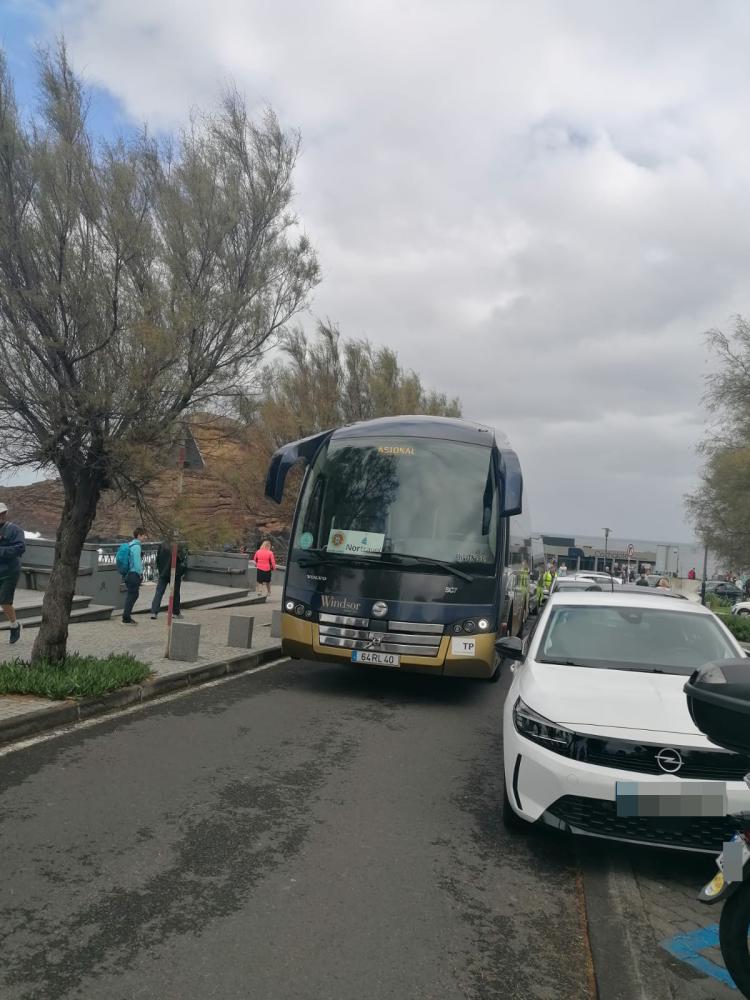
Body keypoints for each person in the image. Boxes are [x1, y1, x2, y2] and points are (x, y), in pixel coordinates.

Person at [0, 503, 25, 644]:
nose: (1, 516)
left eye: (3, 513)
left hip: (9, 572)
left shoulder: (14, 530)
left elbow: (20, 548)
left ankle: (14, 625)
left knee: (4, 601)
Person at [150, 541, 187, 620]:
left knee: (159, 592)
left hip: (163, 573)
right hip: (174, 573)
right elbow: (182, 559)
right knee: (175, 593)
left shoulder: (163, 545)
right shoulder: (178, 545)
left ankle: (154, 611)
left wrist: (161, 570)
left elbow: (158, 559)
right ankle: (176, 612)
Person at [122, 527, 147, 624]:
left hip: (129, 574)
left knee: (132, 594)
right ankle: (126, 617)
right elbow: (136, 562)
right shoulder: (136, 547)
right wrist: (140, 573)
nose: (145, 537)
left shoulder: (130, 544)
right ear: (139, 535)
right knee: (133, 595)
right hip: (133, 574)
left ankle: (126, 616)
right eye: (144, 535)